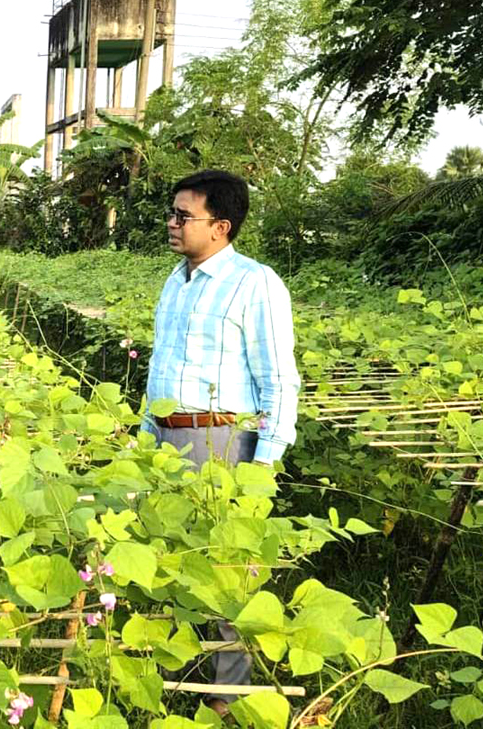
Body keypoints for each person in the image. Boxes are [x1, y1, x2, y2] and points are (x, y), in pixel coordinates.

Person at [142, 169, 300, 716]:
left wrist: (265, 464)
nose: (172, 223)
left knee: (228, 566)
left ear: (221, 226)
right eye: (172, 213)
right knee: (167, 556)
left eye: (183, 215)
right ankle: (167, 677)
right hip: (167, 436)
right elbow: (160, 366)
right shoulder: (176, 281)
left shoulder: (255, 283)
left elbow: (278, 378)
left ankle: (227, 696)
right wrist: (146, 435)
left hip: (222, 439)